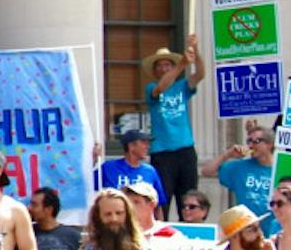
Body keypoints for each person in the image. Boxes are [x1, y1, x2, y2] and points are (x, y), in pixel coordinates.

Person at [144, 39, 204, 220]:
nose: (164, 68)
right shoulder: (151, 88)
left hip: (185, 150)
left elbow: (200, 75)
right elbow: (161, 87)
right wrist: (182, 64)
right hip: (162, 152)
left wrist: (196, 51)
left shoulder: (182, 86)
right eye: (160, 66)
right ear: (155, 71)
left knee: (188, 198)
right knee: (163, 199)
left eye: (167, 64)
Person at [201, 126, 276, 232]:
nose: (250, 145)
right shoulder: (240, 167)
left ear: (270, 144)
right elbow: (207, 172)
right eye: (248, 141)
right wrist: (227, 155)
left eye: (256, 141)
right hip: (246, 230)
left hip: (273, 230)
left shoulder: (280, 169)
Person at [97, 129, 169, 217]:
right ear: (131, 146)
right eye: (143, 142)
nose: (147, 147)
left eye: (148, 143)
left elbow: (158, 204)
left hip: (143, 224)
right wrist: (93, 158)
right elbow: (87, 183)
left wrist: (159, 227)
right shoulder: (108, 167)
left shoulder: (150, 171)